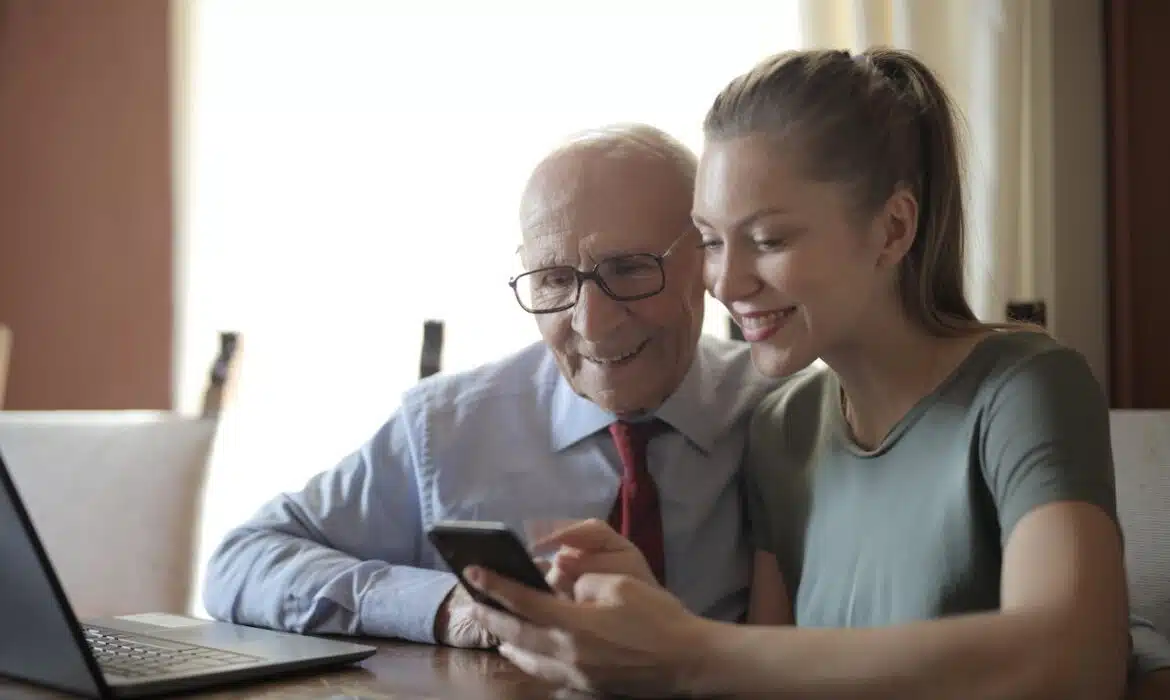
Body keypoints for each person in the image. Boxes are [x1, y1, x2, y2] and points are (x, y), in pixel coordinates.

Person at [466, 47, 1170, 699]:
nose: (726, 281)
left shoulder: (1025, 387)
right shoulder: (783, 424)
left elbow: (1075, 660)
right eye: (711, 242)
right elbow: (768, 678)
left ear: (893, 229)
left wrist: (686, 648)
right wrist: (648, 618)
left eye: (768, 240)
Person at [200, 123, 778, 648]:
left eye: (629, 269)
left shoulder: (786, 413)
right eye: (554, 280)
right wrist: (444, 605)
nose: (591, 324)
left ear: (707, 259)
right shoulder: (447, 427)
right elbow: (241, 561)